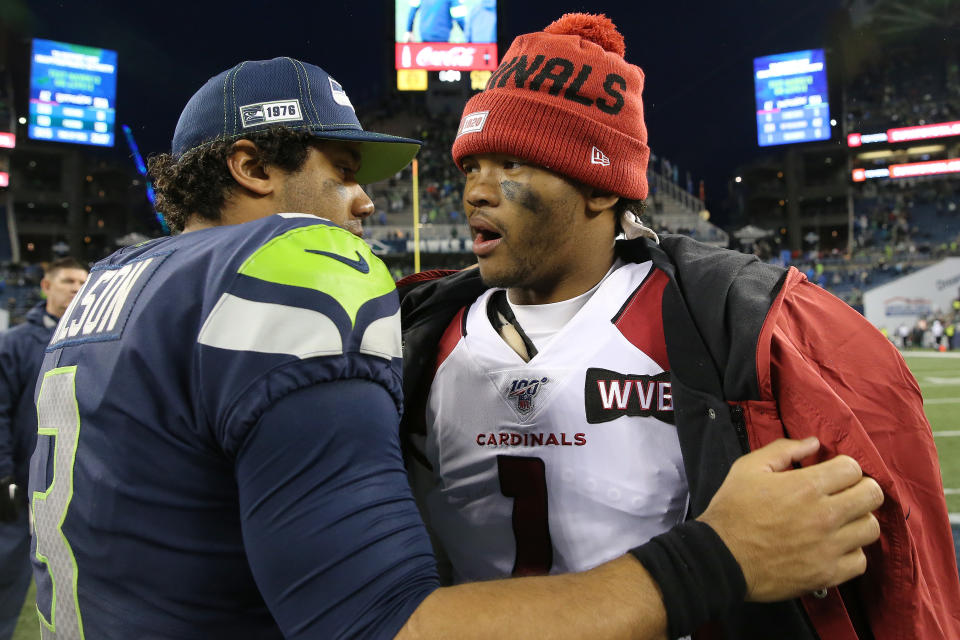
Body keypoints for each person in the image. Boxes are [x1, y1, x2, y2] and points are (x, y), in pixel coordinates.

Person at [28, 56, 882, 640]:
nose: (366, 203)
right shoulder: (292, 265)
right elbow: (381, 627)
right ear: (253, 165)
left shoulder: (109, 286)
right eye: (343, 168)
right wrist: (721, 557)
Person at [397, 14, 960, 640]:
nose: (475, 191)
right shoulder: (415, 338)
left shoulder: (734, 323)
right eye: (469, 166)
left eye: (509, 163)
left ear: (599, 186)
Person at [0, 257, 87, 640]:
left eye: (84, 281)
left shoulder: (93, 342)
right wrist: (2, 474)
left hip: (72, 485)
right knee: (7, 577)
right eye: (68, 280)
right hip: (21, 482)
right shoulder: (17, 343)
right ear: (46, 286)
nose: (77, 287)